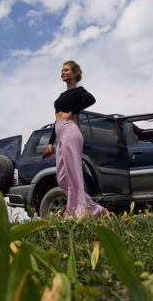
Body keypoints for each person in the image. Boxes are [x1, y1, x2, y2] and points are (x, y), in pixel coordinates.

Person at [42, 60, 106, 219]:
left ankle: (76, 213)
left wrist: (73, 111)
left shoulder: (79, 91)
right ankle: (95, 209)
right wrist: (51, 142)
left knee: (74, 175)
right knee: (62, 178)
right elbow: (56, 120)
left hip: (71, 131)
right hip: (60, 132)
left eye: (66, 70)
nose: (62, 72)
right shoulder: (62, 96)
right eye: (62, 70)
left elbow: (91, 99)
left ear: (75, 74)